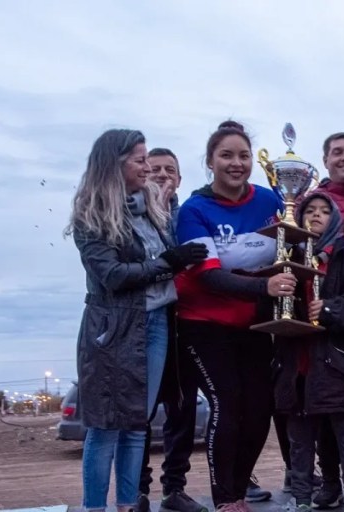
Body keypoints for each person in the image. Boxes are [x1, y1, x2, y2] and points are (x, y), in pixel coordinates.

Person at [67, 129, 208, 512]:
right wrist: (168, 263)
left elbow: (155, 264)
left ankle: (128, 505)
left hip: (158, 321)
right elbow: (111, 274)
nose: (149, 168)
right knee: (105, 427)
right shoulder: (91, 214)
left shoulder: (152, 209)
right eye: (140, 159)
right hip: (113, 328)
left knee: (136, 423)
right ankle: (95, 507)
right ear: (115, 163)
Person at [174, 120, 296, 512]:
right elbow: (208, 276)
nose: (236, 163)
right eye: (226, 155)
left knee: (260, 410)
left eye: (243, 155)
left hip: (256, 327)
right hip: (204, 326)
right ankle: (224, 498)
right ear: (210, 161)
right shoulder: (195, 210)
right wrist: (264, 287)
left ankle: (240, 491)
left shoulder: (270, 201)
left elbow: (294, 251)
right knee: (228, 404)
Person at [274, 191, 344, 512]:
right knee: (300, 440)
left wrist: (329, 309)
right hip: (297, 366)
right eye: (309, 211)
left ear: (335, 219)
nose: (316, 215)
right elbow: (270, 309)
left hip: (338, 366)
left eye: (323, 211)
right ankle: (301, 498)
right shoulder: (285, 260)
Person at [137, 147, 208, 512]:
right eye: (155, 169)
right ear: (143, 174)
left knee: (181, 409)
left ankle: (173, 488)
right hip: (145, 324)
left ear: (180, 178)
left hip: (185, 324)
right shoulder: (133, 215)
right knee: (142, 412)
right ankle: (138, 491)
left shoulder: (190, 217)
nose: (163, 175)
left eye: (170, 170)